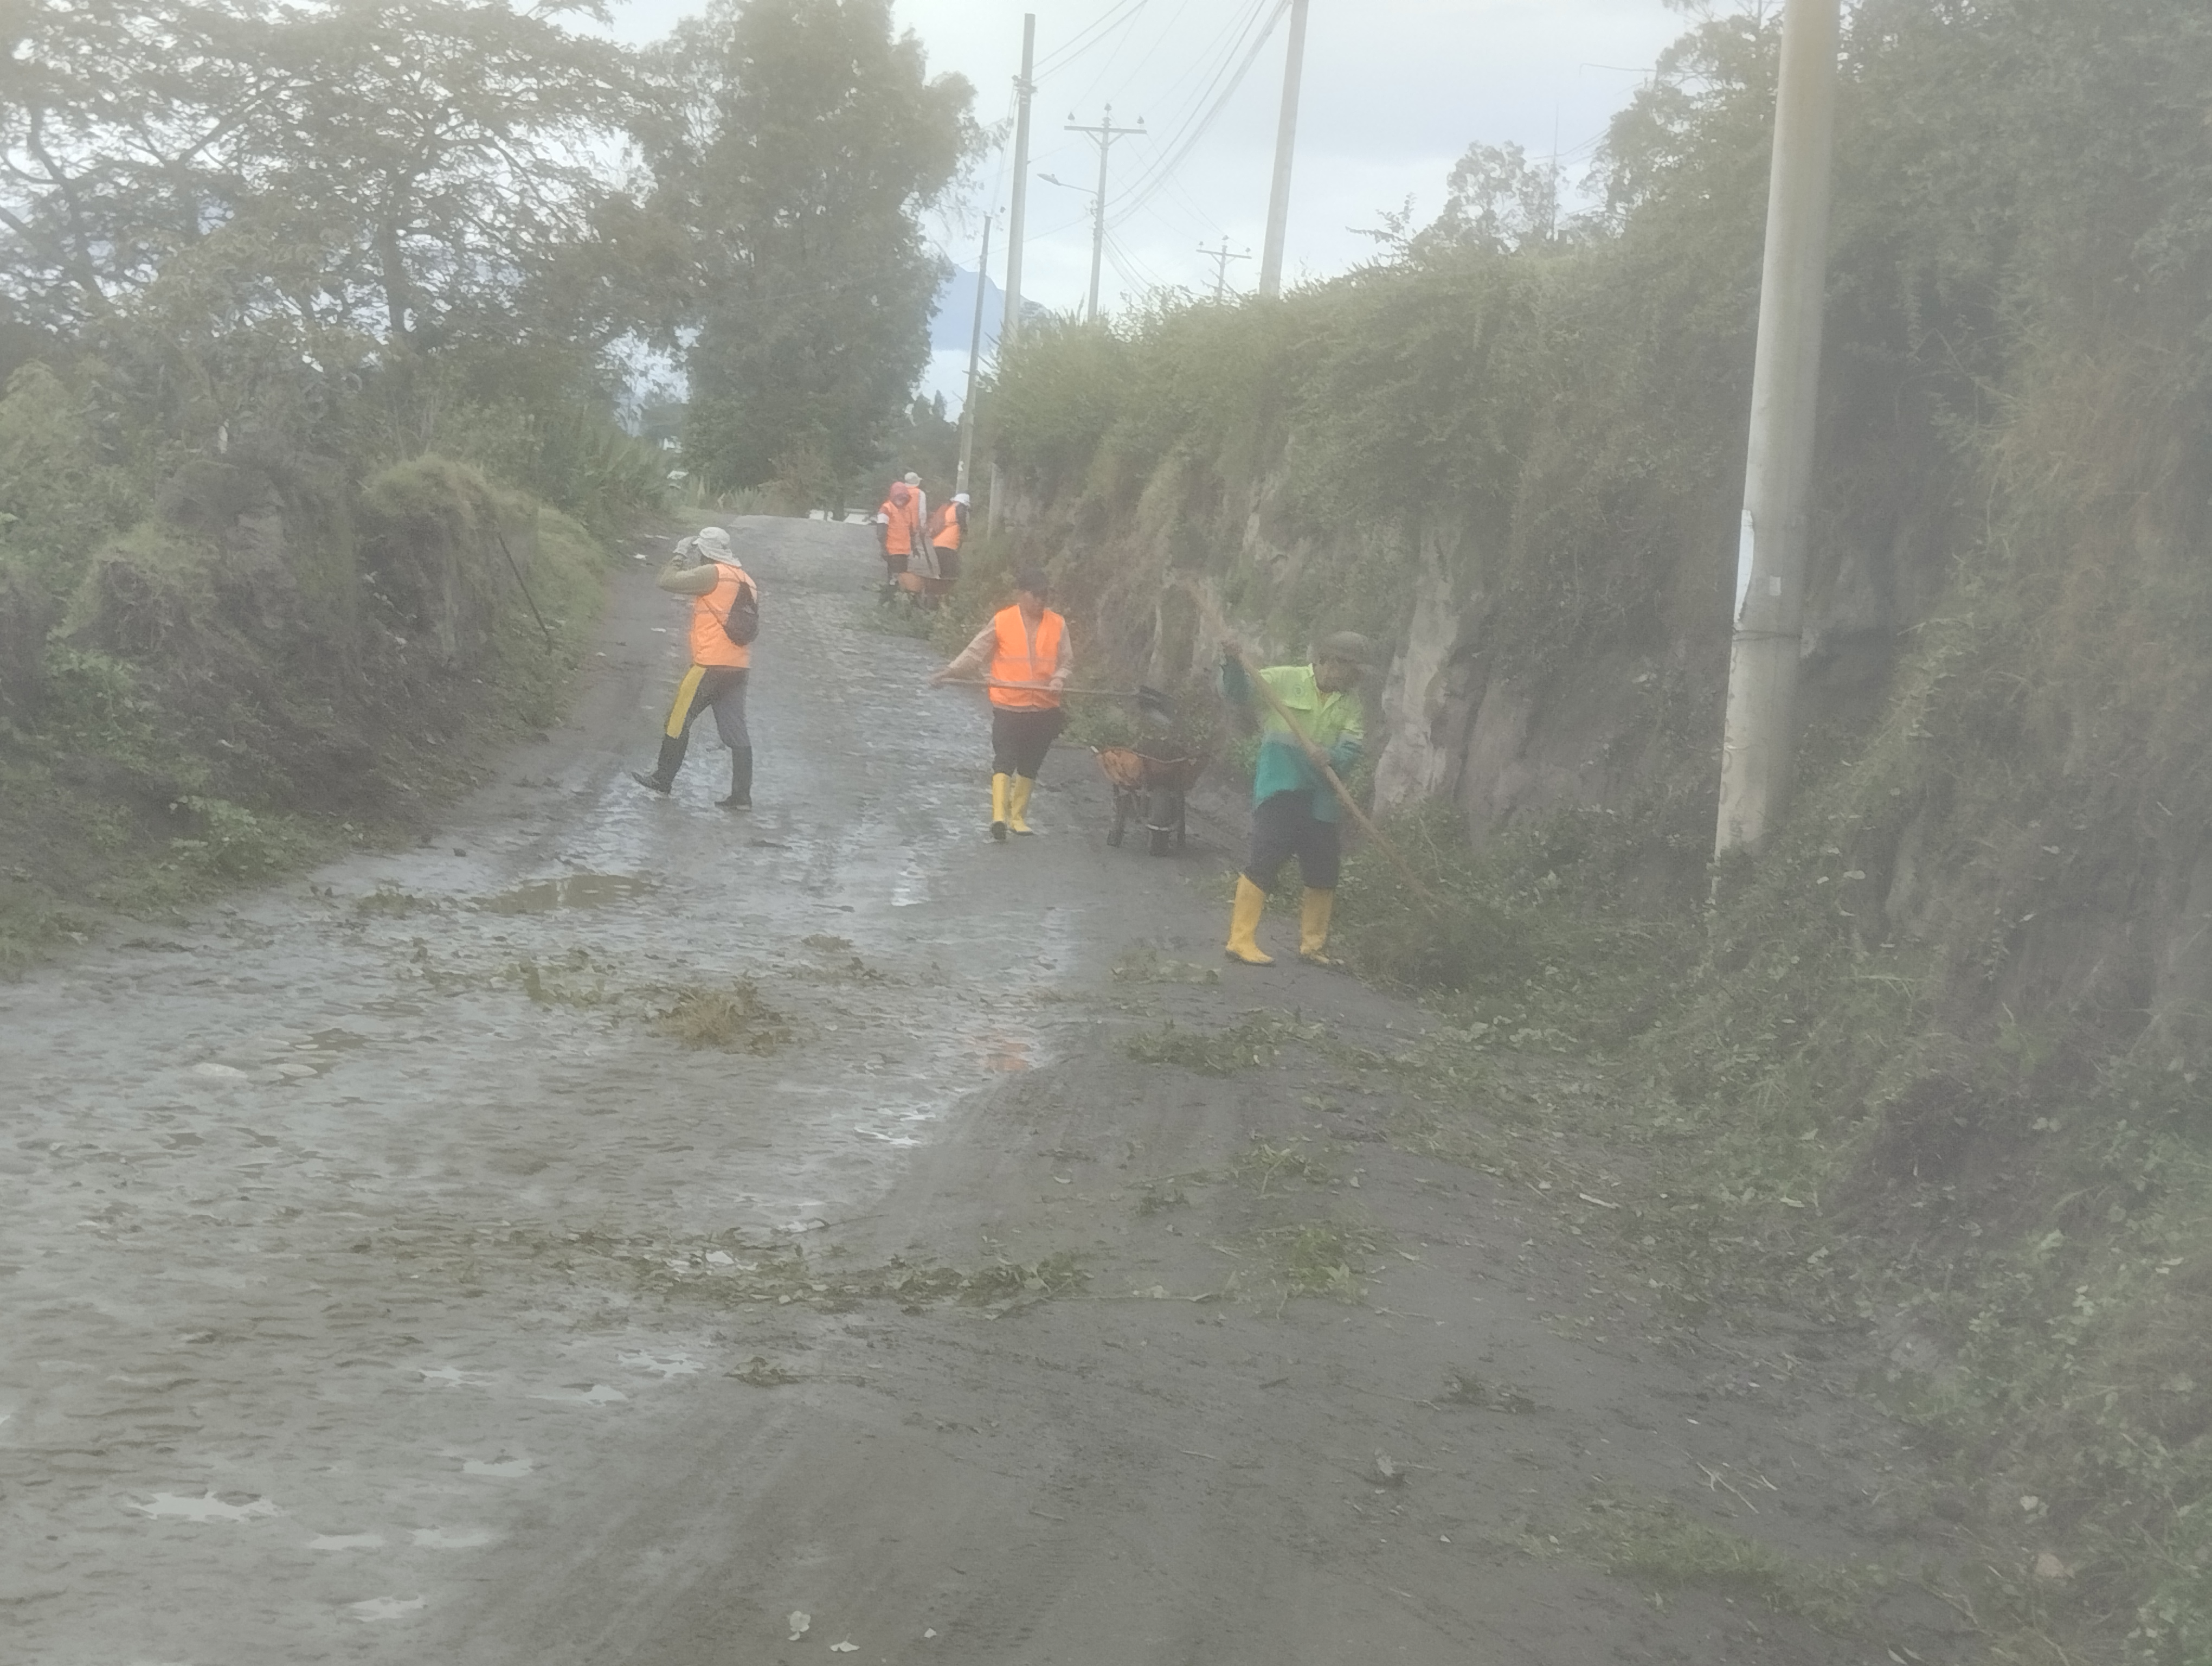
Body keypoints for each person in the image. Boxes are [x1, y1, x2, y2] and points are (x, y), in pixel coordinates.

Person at [1219, 631, 1372, 966]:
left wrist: (1333, 757)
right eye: (1352, 670)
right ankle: (1240, 942)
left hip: (1320, 799)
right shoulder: (1285, 680)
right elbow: (1238, 693)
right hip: (1281, 788)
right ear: (1330, 662)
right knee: (1265, 860)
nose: (1356, 679)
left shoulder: (1351, 705)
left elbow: (1352, 748)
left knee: (1324, 871)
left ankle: (1313, 946)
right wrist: (1232, 661)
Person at [931, 569, 1070, 841]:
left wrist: (1059, 678)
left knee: (1031, 764)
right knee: (1004, 760)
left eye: (1044, 595)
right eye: (1035, 595)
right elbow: (975, 652)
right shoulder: (1003, 621)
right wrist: (948, 673)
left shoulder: (1057, 624)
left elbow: (1066, 661)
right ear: (1021, 594)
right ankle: (999, 818)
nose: (1041, 600)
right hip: (1009, 706)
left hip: (1044, 707)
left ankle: (1017, 818)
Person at [631, 526, 759, 809]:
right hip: (739, 667)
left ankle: (663, 779)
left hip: (709, 664)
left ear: (705, 552)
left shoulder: (712, 574)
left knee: (677, 719)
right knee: (736, 729)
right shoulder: (747, 580)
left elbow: (666, 581)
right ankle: (742, 797)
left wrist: (680, 552)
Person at [874, 481, 921, 585]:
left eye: (904, 498)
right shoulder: (886, 509)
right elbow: (881, 532)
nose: (902, 500)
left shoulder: (907, 510)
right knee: (896, 579)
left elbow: (910, 531)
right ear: (893, 496)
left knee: (900, 579)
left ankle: (892, 592)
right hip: (892, 552)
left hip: (904, 552)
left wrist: (914, 548)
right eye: (900, 497)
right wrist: (884, 549)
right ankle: (891, 593)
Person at [928, 490, 969, 583]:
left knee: (938, 573)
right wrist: (965, 532)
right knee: (949, 574)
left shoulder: (948, 508)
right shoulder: (960, 508)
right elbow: (963, 526)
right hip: (948, 546)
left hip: (936, 543)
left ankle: (933, 589)